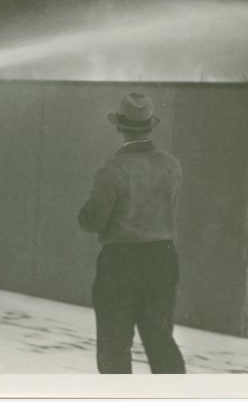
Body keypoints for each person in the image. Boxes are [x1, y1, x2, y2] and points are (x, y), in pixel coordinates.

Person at [78, 92, 186, 374]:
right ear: (150, 125)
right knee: (161, 342)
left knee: (114, 346)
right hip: (163, 260)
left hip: (121, 264)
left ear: (119, 127)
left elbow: (90, 221)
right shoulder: (170, 165)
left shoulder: (113, 170)